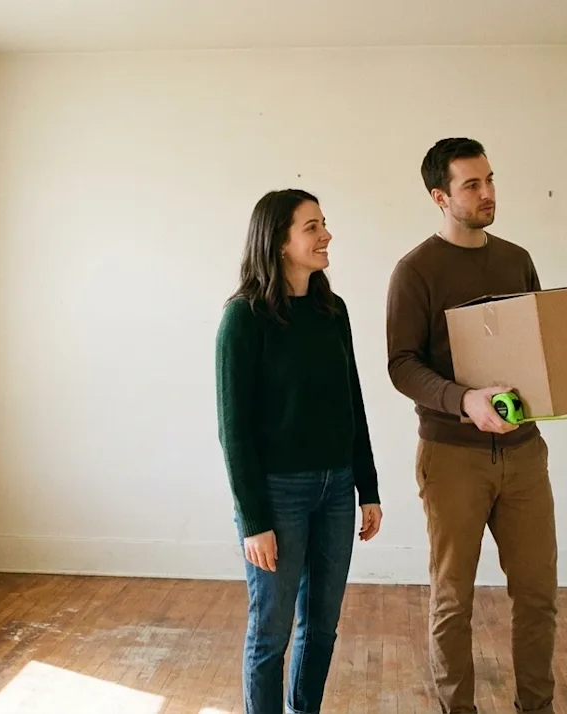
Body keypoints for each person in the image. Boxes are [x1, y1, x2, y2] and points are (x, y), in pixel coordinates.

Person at [385, 138, 567, 714]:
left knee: (538, 595)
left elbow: (540, 349)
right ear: (440, 196)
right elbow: (401, 365)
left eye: (490, 179)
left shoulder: (516, 258)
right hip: (452, 458)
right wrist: (464, 401)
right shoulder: (415, 271)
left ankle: (534, 707)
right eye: (472, 185)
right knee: (452, 600)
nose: (488, 193)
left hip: (524, 454)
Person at [215, 188, 384, 714]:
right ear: (278, 241)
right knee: (270, 633)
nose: (325, 234)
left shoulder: (333, 311)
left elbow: (352, 403)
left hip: (336, 489)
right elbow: (233, 431)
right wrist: (253, 520)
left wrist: (368, 488)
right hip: (277, 495)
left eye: (323, 223)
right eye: (311, 226)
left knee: (322, 628)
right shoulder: (243, 318)